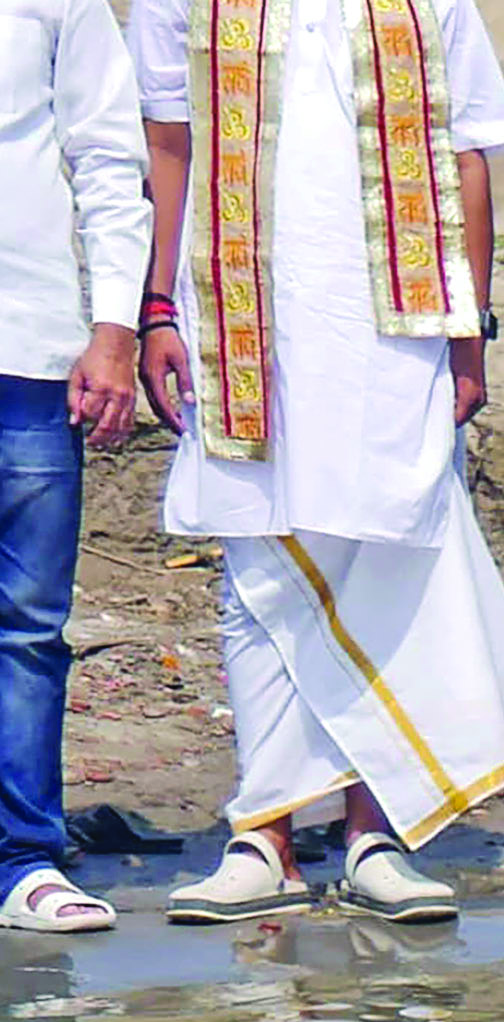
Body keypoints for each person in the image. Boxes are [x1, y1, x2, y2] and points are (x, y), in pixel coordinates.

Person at [130, 0, 504, 925]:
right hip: (240, 316)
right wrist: (156, 308)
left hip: (394, 329)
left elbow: (466, 155)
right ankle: (265, 837)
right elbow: (169, 147)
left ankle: (377, 832)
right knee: (259, 563)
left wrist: (471, 333)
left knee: (390, 554)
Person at [2, 0, 146, 934]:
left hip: (27, 345)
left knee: (26, 627)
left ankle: (23, 859)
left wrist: (116, 330)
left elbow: (107, 154)